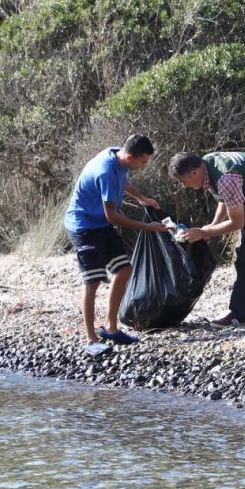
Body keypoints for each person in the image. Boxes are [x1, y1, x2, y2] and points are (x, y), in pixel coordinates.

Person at [168, 151, 245, 328]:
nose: (184, 186)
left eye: (183, 181)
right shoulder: (208, 167)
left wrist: (204, 232)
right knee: (244, 255)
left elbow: (237, 222)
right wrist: (213, 226)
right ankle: (238, 314)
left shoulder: (225, 177)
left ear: (195, 173)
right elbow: (225, 198)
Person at [63, 134, 167, 348]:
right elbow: (112, 216)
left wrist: (142, 198)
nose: (144, 165)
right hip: (83, 226)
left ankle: (110, 327)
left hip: (100, 224)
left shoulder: (117, 155)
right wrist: (147, 227)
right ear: (129, 157)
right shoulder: (105, 171)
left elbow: (123, 180)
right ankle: (91, 340)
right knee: (92, 281)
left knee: (124, 269)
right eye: (143, 162)